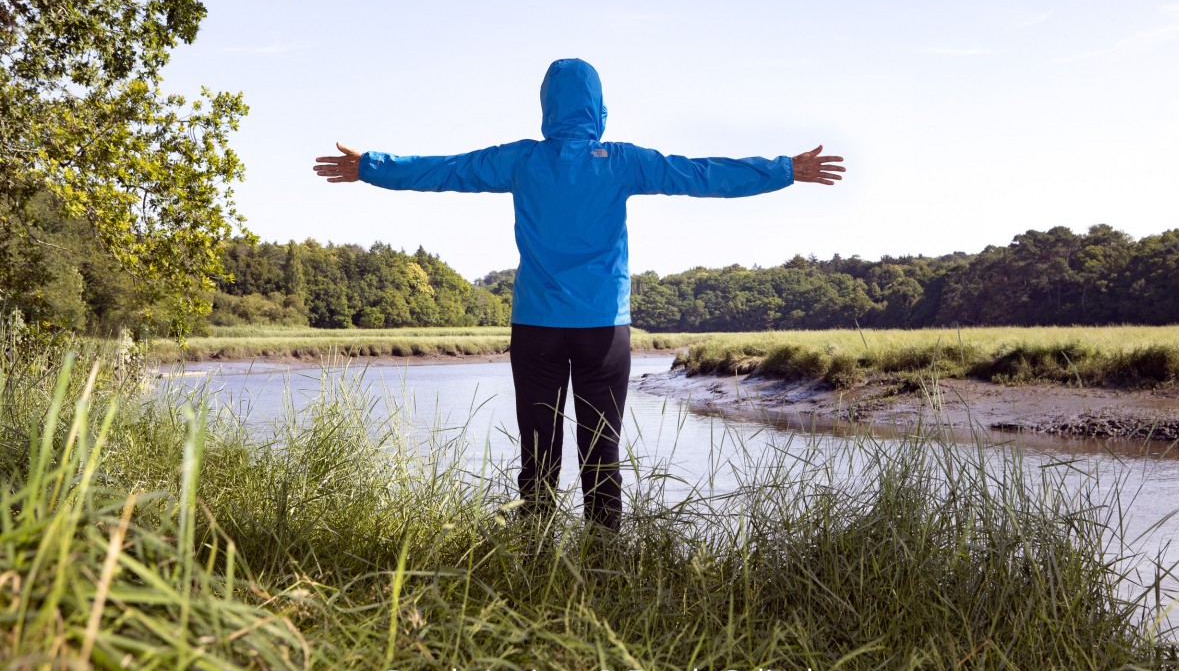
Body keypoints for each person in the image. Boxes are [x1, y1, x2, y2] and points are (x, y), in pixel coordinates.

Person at [313, 58, 844, 533]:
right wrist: (785, 170)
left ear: (546, 106)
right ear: (599, 107)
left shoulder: (521, 160)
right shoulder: (622, 160)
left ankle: (535, 553)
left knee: (538, 450)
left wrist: (368, 166)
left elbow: (443, 169)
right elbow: (702, 175)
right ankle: (603, 562)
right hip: (603, 330)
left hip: (537, 328)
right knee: (601, 451)